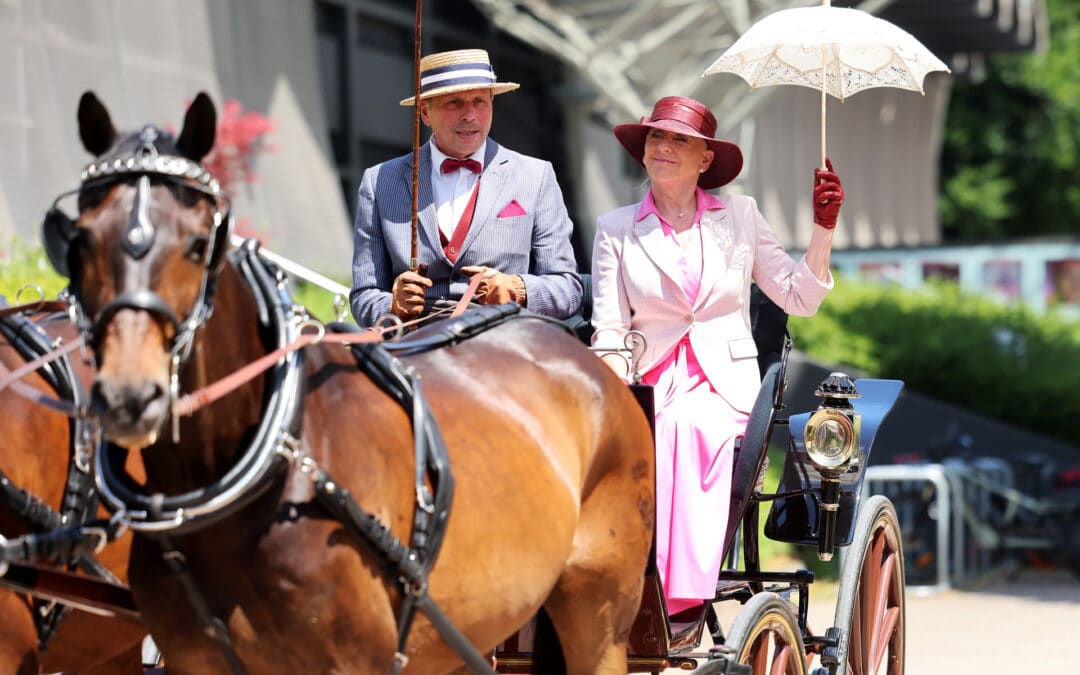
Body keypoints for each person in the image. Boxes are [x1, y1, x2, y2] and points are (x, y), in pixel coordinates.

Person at [590, 96, 843, 617]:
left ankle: (676, 594)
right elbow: (609, 330)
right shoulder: (615, 228)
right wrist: (618, 396)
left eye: (680, 139)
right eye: (656, 137)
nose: (663, 147)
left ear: (706, 159)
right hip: (646, 380)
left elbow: (800, 297)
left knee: (685, 424)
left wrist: (823, 230)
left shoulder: (742, 217)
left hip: (724, 388)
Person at [350, 48, 583, 327]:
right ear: (425, 112)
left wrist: (516, 289)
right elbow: (364, 296)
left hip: (505, 338)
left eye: (479, 101)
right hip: (413, 344)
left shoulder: (536, 176)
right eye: (455, 103)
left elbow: (568, 289)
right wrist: (391, 304)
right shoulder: (380, 182)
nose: (470, 115)